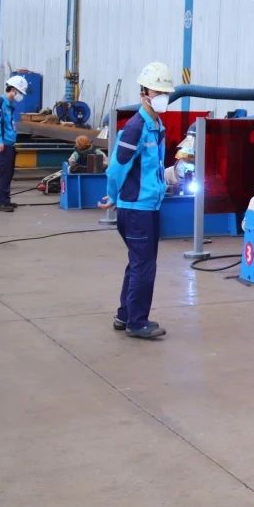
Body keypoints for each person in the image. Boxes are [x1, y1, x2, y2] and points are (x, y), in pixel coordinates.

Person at [99, 62, 175, 340]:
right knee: (144, 266)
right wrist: (112, 195)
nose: (163, 97)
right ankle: (137, 322)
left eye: (166, 92)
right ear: (144, 93)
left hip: (148, 206)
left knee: (137, 263)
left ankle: (125, 314)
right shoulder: (136, 127)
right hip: (136, 211)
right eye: (158, 92)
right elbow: (116, 168)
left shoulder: (156, 126)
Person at [0, 75, 28, 212]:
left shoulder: (9, 105)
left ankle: (0, 200)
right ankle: (3, 202)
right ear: (13, 90)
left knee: (8, 173)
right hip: (2, 144)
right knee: (4, 174)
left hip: (8, 144)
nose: (20, 96)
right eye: (20, 92)